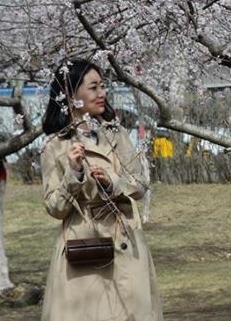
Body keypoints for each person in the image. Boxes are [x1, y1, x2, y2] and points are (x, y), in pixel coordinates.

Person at [40, 59, 162, 321]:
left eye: (103, 86)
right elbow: (54, 207)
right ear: (71, 96)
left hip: (125, 240)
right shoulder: (55, 146)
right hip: (83, 246)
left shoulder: (117, 134)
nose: (102, 93)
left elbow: (140, 184)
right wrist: (74, 173)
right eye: (93, 87)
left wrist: (112, 182)